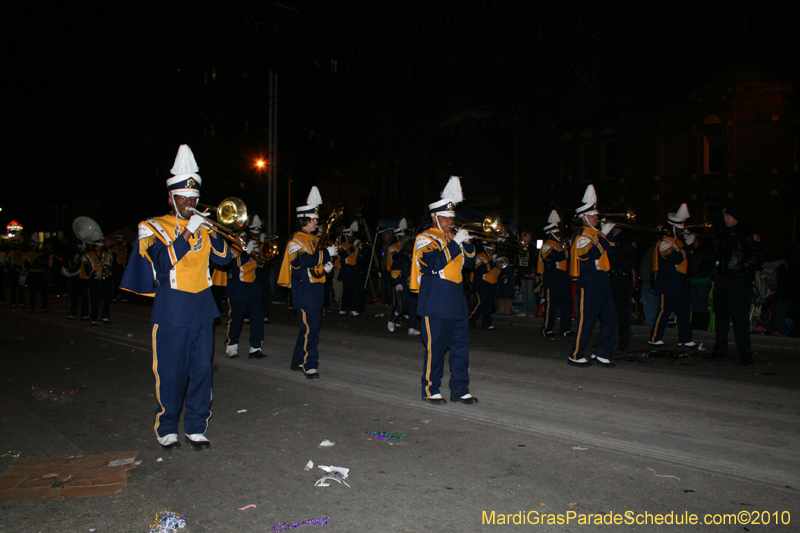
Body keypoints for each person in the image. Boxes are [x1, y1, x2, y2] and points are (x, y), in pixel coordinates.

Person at [121, 144, 233, 450]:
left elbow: (224, 261)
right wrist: (187, 232)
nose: (190, 203)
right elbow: (162, 260)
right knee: (171, 373)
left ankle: (197, 426)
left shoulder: (203, 225)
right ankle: (167, 426)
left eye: (194, 198)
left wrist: (212, 231)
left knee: (202, 372)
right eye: (184, 198)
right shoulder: (152, 226)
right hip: (171, 309)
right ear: (171, 198)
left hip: (201, 308)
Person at [411, 176, 478, 404]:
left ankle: (460, 389)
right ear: (435, 217)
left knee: (461, 346)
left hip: (457, 298)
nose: (451, 221)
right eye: (446, 218)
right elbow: (434, 262)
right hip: (436, 298)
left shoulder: (454, 238)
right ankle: (431, 388)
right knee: (436, 348)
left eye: (452, 217)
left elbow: (470, 263)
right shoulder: (424, 237)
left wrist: (466, 242)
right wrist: (454, 243)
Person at [278, 186, 338, 379]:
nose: (316, 222)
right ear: (304, 219)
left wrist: (327, 268)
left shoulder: (313, 239)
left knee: (309, 327)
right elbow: (302, 261)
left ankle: (297, 360)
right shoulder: (296, 240)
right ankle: (309, 364)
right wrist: (326, 254)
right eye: (313, 219)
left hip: (316, 289)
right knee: (310, 329)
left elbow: (315, 266)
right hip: (304, 291)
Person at [567, 184, 618, 368]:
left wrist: (607, 234)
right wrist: (603, 235)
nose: (598, 218)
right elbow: (589, 256)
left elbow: (611, 251)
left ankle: (602, 353)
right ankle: (576, 354)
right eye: (594, 215)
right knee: (587, 320)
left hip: (602, 279)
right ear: (585, 217)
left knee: (611, 318)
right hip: (588, 280)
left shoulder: (597, 233)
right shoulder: (581, 236)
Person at [707, 205, 762, 365]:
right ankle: (720, 349)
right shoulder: (722, 234)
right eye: (724, 216)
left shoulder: (748, 233)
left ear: (735, 216)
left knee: (739, 317)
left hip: (739, 280)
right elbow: (715, 253)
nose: (725, 219)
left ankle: (745, 352)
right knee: (721, 317)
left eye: (728, 216)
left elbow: (756, 257)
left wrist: (739, 268)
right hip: (722, 279)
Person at [648, 204, 698, 347]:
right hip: (667, 282)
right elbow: (675, 258)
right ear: (673, 227)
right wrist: (687, 245)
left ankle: (686, 338)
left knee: (683, 311)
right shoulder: (664, 242)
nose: (682, 231)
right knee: (664, 311)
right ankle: (654, 338)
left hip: (679, 282)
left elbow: (690, 253)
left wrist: (688, 243)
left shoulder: (677, 242)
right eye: (680, 229)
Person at [223, 235, 266, 360]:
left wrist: (262, 253)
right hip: (237, 288)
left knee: (258, 319)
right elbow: (232, 266)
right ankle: (231, 346)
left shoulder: (254, 248)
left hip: (253, 288)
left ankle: (256, 348)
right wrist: (246, 253)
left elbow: (262, 267)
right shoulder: (232, 249)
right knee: (236, 319)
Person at [537, 210, 572, 338]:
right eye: (556, 232)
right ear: (550, 233)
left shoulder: (559, 244)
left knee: (566, 303)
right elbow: (549, 258)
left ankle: (565, 328)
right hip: (552, 277)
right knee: (551, 304)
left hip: (562, 277)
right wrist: (564, 251)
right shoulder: (547, 245)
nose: (559, 233)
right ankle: (547, 329)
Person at [607, 226, 638, 352]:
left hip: (620, 278)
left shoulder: (627, 240)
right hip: (608, 278)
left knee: (623, 312)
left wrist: (615, 264)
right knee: (607, 311)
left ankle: (623, 342)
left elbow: (633, 260)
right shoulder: (606, 237)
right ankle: (607, 340)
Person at [388, 235, 420, 335]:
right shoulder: (399, 257)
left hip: (412, 285)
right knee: (402, 306)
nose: (411, 247)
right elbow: (395, 272)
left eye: (412, 244)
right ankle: (392, 320)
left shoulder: (414, 256)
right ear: (404, 246)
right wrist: (397, 283)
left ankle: (412, 327)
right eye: (409, 245)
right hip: (402, 284)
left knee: (413, 306)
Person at [468, 241, 500, 330]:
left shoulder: (495, 257)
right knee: (481, 303)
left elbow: (499, 269)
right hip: (481, 284)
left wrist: (504, 276)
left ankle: (487, 324)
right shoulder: (479, 257)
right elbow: (481, 270)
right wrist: (492, 262)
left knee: (489, 304)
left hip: (492, 284)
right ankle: (471, 319)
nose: (491, 251)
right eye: (490, 249)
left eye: (493, 249)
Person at [81, 237, 113, 325]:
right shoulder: (87, 255)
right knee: (94, 300)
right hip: (94, 280)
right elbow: (86, 269)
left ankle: (105, 316)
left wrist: (109, 265)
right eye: (98, 245)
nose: (100, 247)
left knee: (107, 299)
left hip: (105, 279)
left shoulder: (108, 254)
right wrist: (95, 273)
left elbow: (113, 267)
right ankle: (93, 318)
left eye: (101, 245)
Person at [338, 222, 364, 317]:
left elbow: (360, 258)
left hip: (354, 269)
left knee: (355, 290)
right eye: (348, 236)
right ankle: (342, 309)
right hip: (346, 269)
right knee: (345, 290)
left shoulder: (355, 246)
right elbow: (343, 255)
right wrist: (353, 247)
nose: (350, 238)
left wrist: (360, 248)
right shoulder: (342, 245)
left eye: (351, 236)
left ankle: (354, 309)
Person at [62, 241, 88, 320]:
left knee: (85, 296)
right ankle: (73, 312)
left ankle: (85, 313)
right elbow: (66, 264)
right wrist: (74, 260)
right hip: (74, 277)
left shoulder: (87, 253)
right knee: (74, 295)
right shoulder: (70, 253)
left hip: (84, 277)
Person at [24, 234, 50, 313]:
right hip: (35, 274)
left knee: (41, 292)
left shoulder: (42, 255)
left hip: (38, 274)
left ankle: (40, 306)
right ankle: (34, 306)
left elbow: (45, 265)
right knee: (34, 292)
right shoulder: (29, 255)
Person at [516, 230, 535, 317]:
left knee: (530, 292)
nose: (527, 238)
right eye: (525, 236)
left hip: (530, 271)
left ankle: (531, 310)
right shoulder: (519, 247)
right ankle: (525, 310)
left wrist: (536, 272)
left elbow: (534, 260)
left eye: (528, 236)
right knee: (524, 292)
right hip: (522, 271)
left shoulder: (532, 247)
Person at [110, 235, 129, 302]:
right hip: (117, 268)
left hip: (124, 267)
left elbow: (126, 258)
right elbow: (114, 259)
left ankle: (123, 296)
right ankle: (114, 296)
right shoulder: (113, 248)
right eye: (119, 240)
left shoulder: (125, 249)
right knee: (116, 282)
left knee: (124, 283)